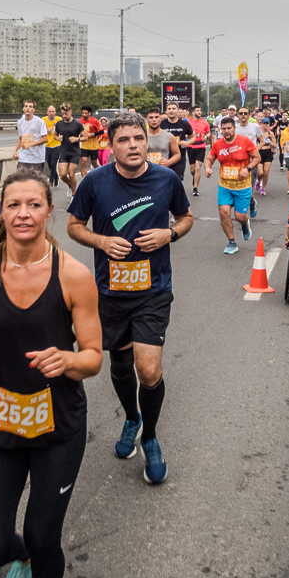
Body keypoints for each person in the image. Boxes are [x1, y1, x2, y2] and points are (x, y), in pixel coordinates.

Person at [0, 171, 102, 578]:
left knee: (42, 536)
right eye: (13, 205)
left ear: (49, 212)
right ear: (0, 212)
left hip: (58, 425)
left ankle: (37, 560)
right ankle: (19, 557)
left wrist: (67, 361)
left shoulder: (73, 276)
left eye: (34, 205)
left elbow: (93, 357)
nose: (23, 214)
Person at [66, 114, 192, 494]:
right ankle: (132, 417)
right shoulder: (94, 182)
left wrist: (169, 234)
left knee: (148, 369)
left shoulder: (166, 179)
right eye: (124, 140)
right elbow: (74, 226)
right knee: (119, 363)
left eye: (138, 138)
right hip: (109, 293)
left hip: (154, 289)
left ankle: (150, 438)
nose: (134, 145)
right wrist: (102, 242)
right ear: (111, 145)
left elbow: (185, 218)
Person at [205, 116, 259, 255]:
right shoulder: (218, 144)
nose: (227, 131)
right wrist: (208, 168)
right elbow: (210, 158)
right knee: (224, 213)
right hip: (225, 185)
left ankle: (247, 218)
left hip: (242, 185)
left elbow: (257, 157)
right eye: (224, 129)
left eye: (229, 128)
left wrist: (247, 169)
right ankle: (231, 242)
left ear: (234, 128)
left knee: (240, 217)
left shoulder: (245, 141)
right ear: (220, 130)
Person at [54, 104, 84, 198]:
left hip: (74, 152)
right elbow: (55, 135)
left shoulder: (77, 124)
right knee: (62, 175)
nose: (64, 116)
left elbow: (85, 137)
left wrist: (77, 139)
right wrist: (58, 138)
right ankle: (70, 185)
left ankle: (74, 195)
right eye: (62, 114)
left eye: (66, 113)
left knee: (71, 174)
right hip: (63, 152)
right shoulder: (59, 123)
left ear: (70, 112)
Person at [13, 100, 49, 177]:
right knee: (20, 180)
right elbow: (20, 138)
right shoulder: (20, 122)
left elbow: (45, 139)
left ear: (34, 110)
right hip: (23, 158)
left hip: (36, 159)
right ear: (23, 109)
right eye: (26, 106)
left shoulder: (39, 122)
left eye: (30, 107)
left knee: (34, 183)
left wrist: (31, 144)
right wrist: (15, 150)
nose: (28, 108)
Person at [159, 102, 193, 182]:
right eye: (169, 109)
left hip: (179, 158)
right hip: (164, 157)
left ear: (178, 110)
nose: (171, 111)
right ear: (166, 111)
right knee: (164, 181)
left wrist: (187, 143)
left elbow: (193, 137)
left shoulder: (185, 124)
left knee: (177, 181)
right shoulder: (161, 124)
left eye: (173, 109)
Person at [185, 106, 211, 197]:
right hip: (191, 146)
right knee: (192, 170)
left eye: (200, 110)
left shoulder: (204, 122)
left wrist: (206, 137)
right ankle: (195, 177)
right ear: (193, 112)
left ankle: (195, 188)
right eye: (197, 111)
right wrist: (188, 136)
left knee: (198, 167)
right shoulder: (188, 123)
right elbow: (184, 133)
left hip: (201, 146)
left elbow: (209, 132)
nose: (199, 112)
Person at [255, 118, 277, 196]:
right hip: (260, 153)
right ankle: (258, 180)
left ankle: (263, 188)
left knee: (266, 172)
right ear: (262, 124)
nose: (266, 125)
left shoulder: (271, 134)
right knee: (260, 172)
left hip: (268, 153)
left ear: (269, 124)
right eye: (264, 123)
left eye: (267, 124)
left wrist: (272, 144)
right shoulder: (259, 133)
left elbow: (275, 145)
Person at [78, 108, 102, 177]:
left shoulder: (95, 121)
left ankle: (100, 174)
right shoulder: (80, 121)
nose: (84, 115)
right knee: (83, 162)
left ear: (89, 113)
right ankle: (84, 180)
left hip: (93, 145)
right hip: (84, 145)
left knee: (94, 163)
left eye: (86, 113)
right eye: (83, 113)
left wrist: (92, 134)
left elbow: (101, 131)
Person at [43, 105, 61, 186]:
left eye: (53, 111)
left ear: (55, 112)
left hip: (56, 146)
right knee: (50, 165)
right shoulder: (43, 120)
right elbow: (39, 130)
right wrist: (46, 130)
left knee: (53, 164)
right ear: (47, 112)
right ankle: (56, 177)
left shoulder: (59, 120)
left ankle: (50, 182)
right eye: (50, 111)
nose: (51, 113)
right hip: (47, 145)